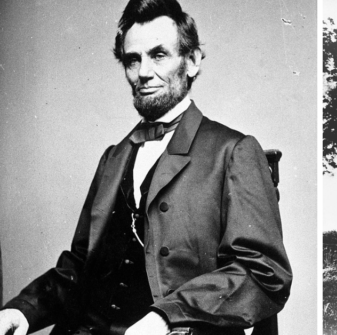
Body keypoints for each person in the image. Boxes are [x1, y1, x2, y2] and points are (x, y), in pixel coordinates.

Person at [0, 0, 292, 334]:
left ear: (192, 61)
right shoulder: (113, 157)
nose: (143, 72)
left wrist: (166, 317)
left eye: (158, 55)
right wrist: (22, 311)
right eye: (132, 59)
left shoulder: (233, 152)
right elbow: (81, 265)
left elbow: (264, 273)